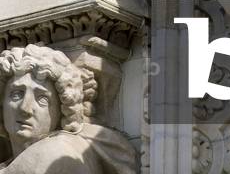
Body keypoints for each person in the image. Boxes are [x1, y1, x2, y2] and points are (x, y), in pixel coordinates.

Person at [0, 45, 136, 173]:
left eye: (42, 99)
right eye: (16, 94)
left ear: (62, 110)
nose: (26, 108)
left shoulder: (58, 152)